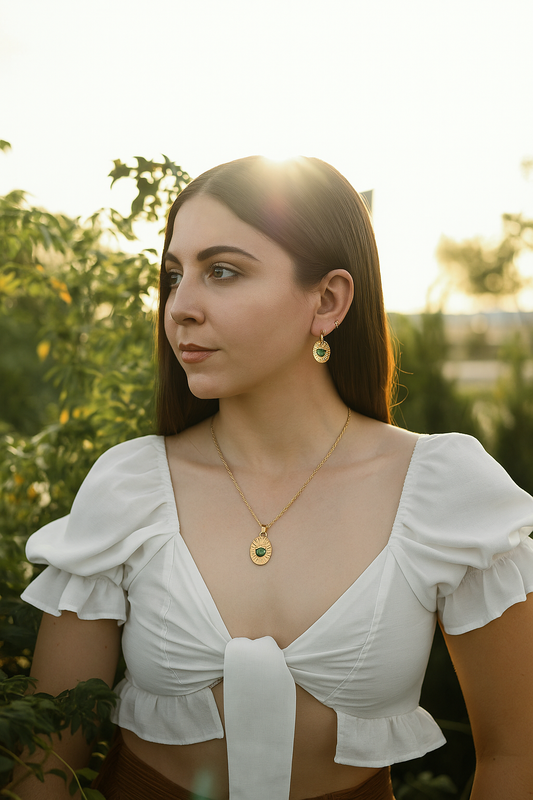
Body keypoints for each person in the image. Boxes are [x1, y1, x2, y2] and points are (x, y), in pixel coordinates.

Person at [18, 155, 533, 800]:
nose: (180, 307)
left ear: (328, 300)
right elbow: (44, 769)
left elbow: (518, 759)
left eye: (223, 272)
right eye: (174, 276)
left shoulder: (444, 491)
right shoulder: (129, 488)